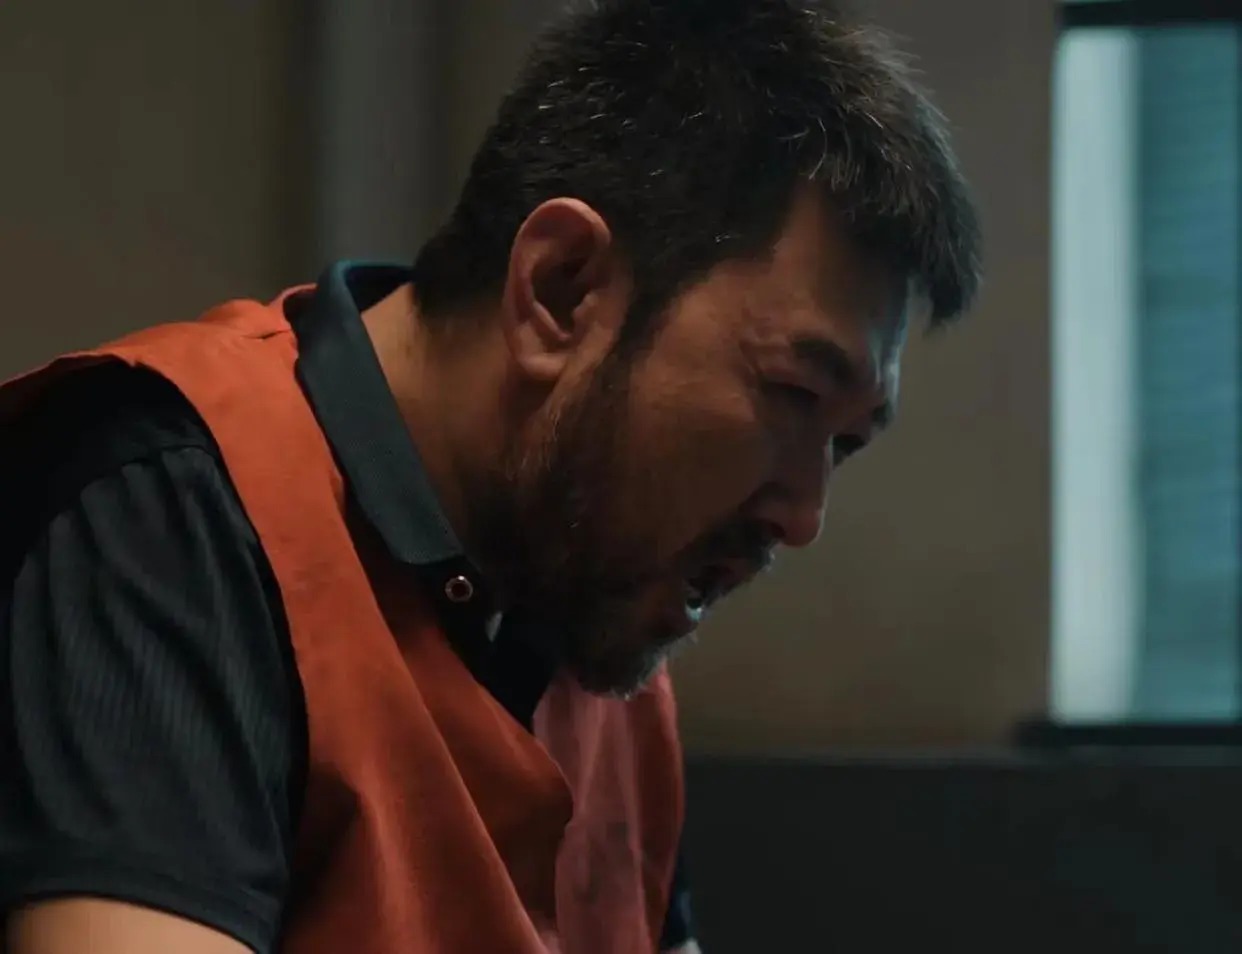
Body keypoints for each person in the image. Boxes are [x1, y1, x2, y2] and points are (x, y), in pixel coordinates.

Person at [0, 0, 981, 951]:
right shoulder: (172, 506)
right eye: (793, 393)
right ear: (562, 289)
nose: (804, 516)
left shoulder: (595, 583)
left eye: (846, 444)